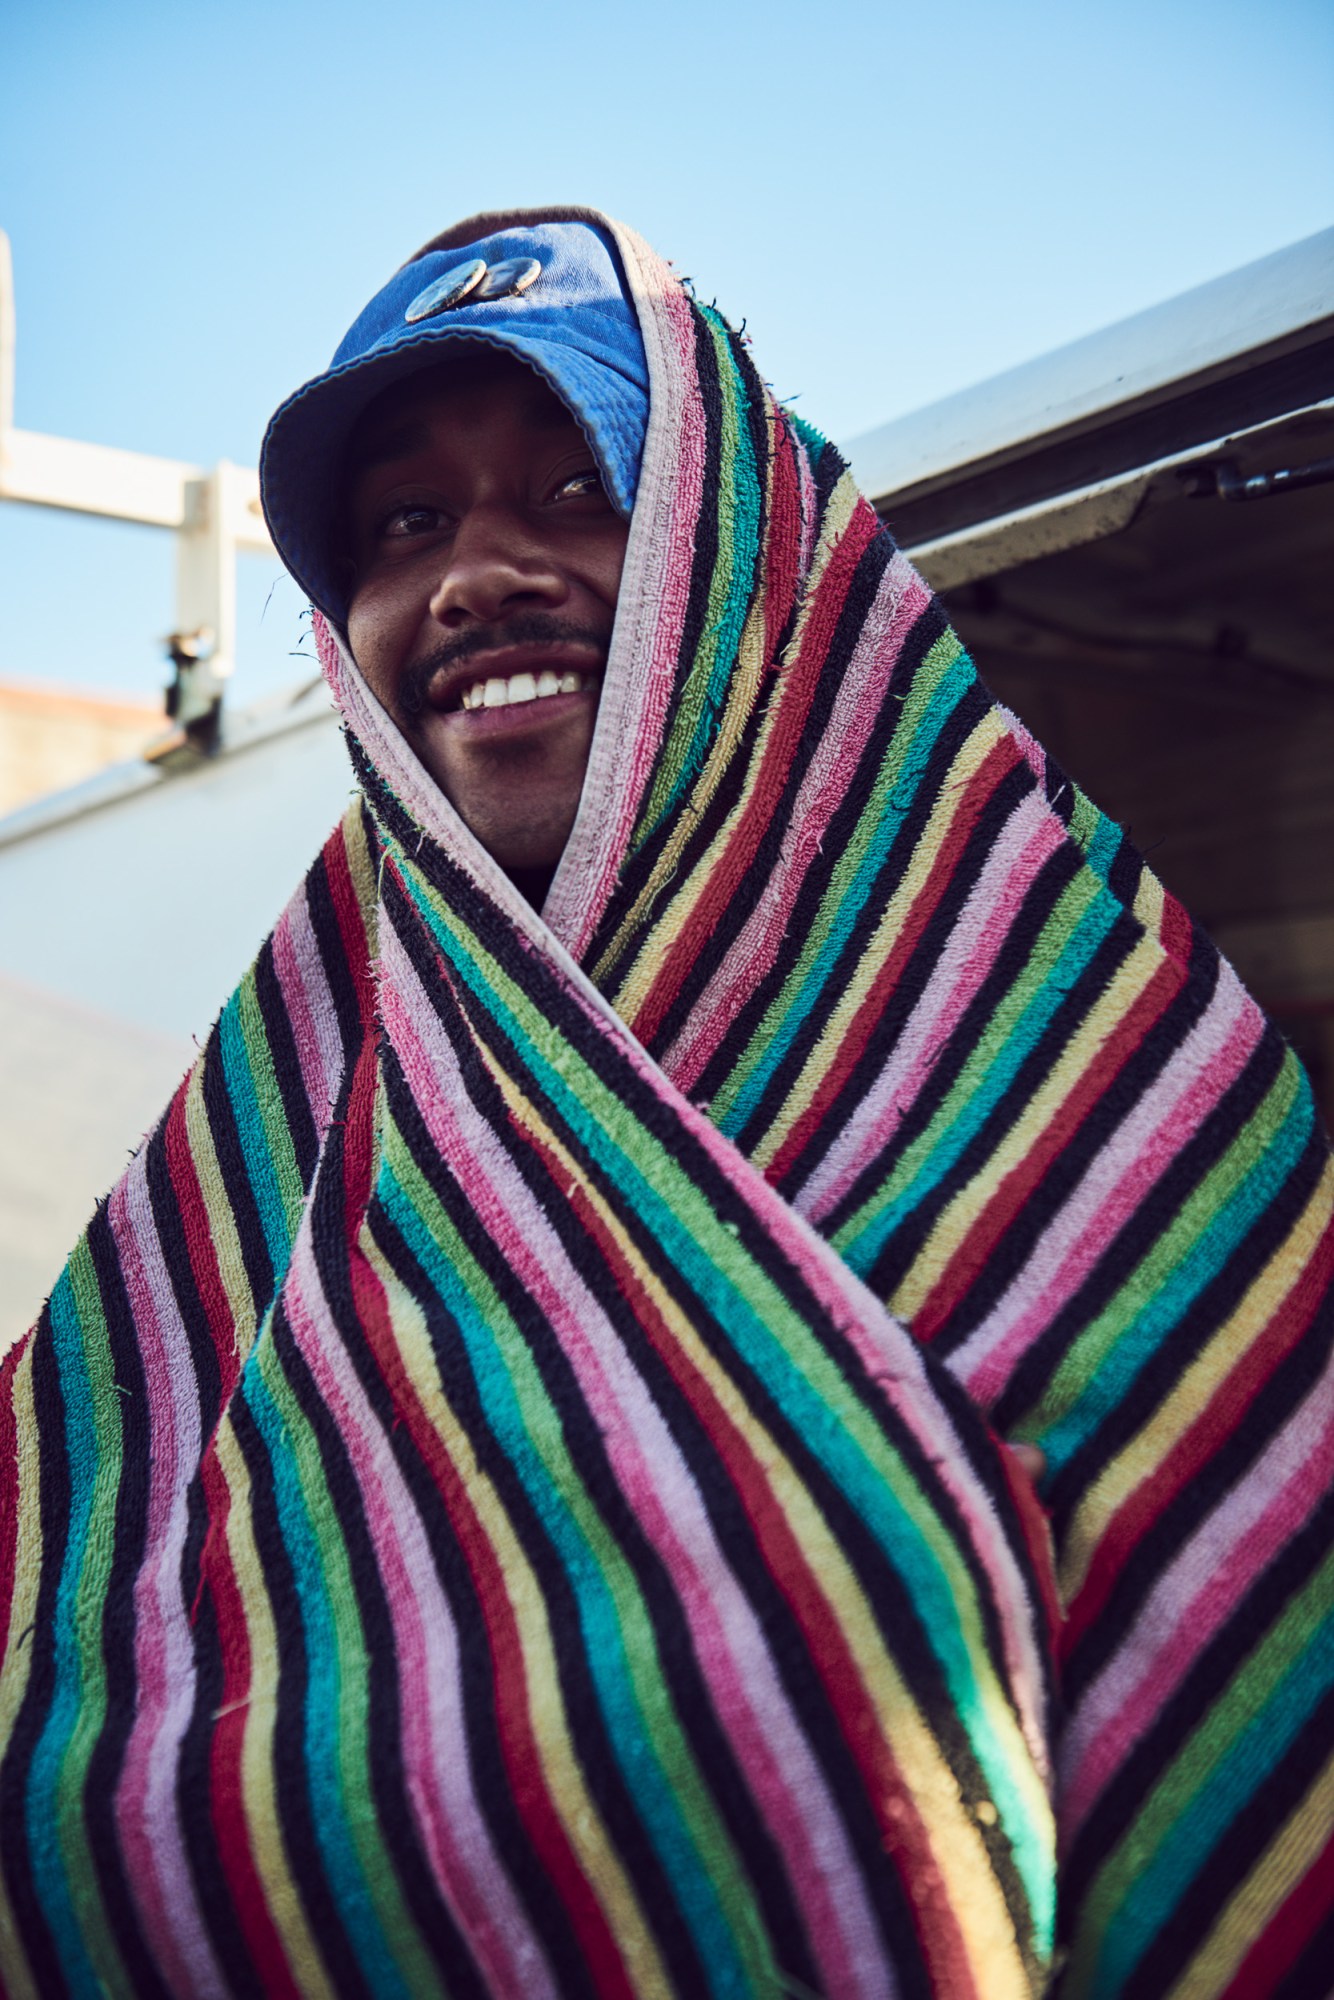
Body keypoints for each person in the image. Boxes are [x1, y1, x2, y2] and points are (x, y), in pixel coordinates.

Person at [0, 209, 1328, 2000]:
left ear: (743, 554)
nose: (475, 574)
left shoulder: (1116, 1075)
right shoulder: (258, 1152)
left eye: (576, 491)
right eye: (405, 526)